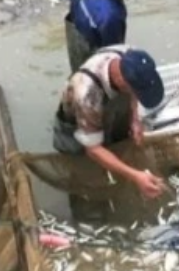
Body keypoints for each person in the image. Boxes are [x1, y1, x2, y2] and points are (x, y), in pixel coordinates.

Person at [52, 45, 168, 200]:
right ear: (121, 81)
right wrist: (135, 176)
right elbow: (93, 149)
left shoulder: (129, 55)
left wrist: (135, 119)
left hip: (105, 108)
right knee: (85, 174)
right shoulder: (87, 94)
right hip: (75, 127)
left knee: (114, 146)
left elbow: (133, 92)